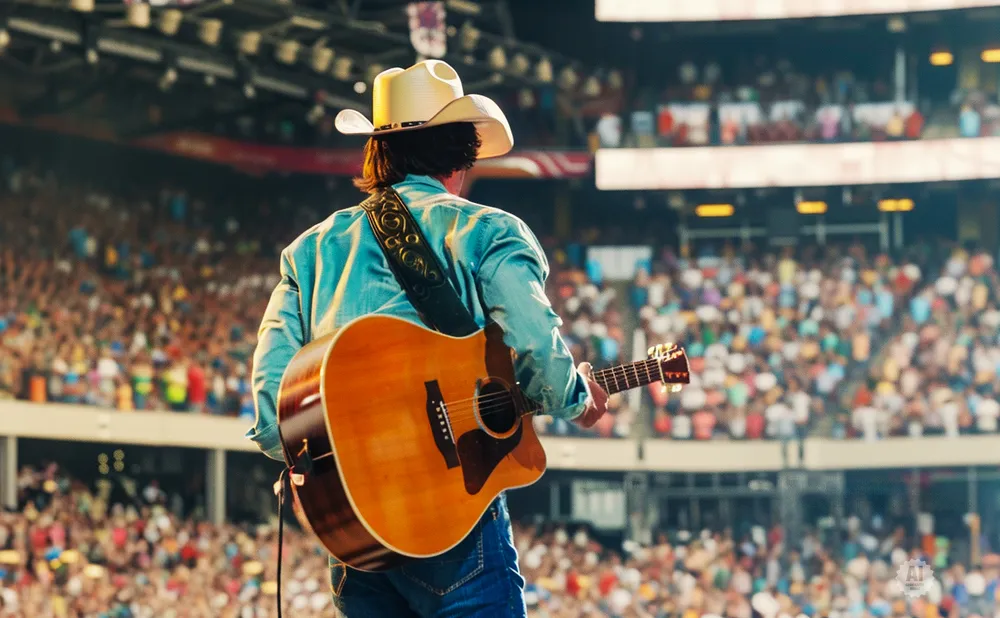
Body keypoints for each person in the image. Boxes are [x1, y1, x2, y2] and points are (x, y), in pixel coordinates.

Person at [247, 60, 610, 617]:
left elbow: (276, 416)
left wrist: (360, 476)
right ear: (462, 153)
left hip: (358, 540)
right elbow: (536, 340)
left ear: (378, 151)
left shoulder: (310, 251)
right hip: (455, 527)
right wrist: (578, 400)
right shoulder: (486, 230)